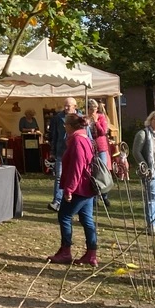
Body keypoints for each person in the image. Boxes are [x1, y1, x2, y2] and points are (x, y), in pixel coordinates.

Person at [47, 112, 99, 266]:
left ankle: (65, 252)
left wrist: (69, 189)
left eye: (65, 126)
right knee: (87, 220)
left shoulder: (77, 140)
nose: (64, 128)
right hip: (87, 187)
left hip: (79, 188)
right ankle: (91, 254)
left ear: (69, 126)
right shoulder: (85, 138)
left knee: (64, 216)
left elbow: (77, 167)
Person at [47, 97, 77, 212]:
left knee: (75, 176)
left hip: (75, 151)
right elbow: (54, 135)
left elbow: (86, 135)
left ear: (74, 107)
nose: (65, 108)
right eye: (65, 105)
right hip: (61, 151)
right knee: (59, 176)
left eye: (68, 106)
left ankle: (73, 201)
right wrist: (53, 152)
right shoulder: (58, 118)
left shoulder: (79, 118)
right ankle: (57, 201)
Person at [87, 99, 111, 206]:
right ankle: (94, 197)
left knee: (102, 172)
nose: (93, 111)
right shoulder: (85, 118)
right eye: (91, 109)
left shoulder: (101, 117)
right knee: (92, 173)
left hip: (100, 147)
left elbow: (103, 132)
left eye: (95, 108)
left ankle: (104, 195)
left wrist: (96, 122)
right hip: (90, 148)